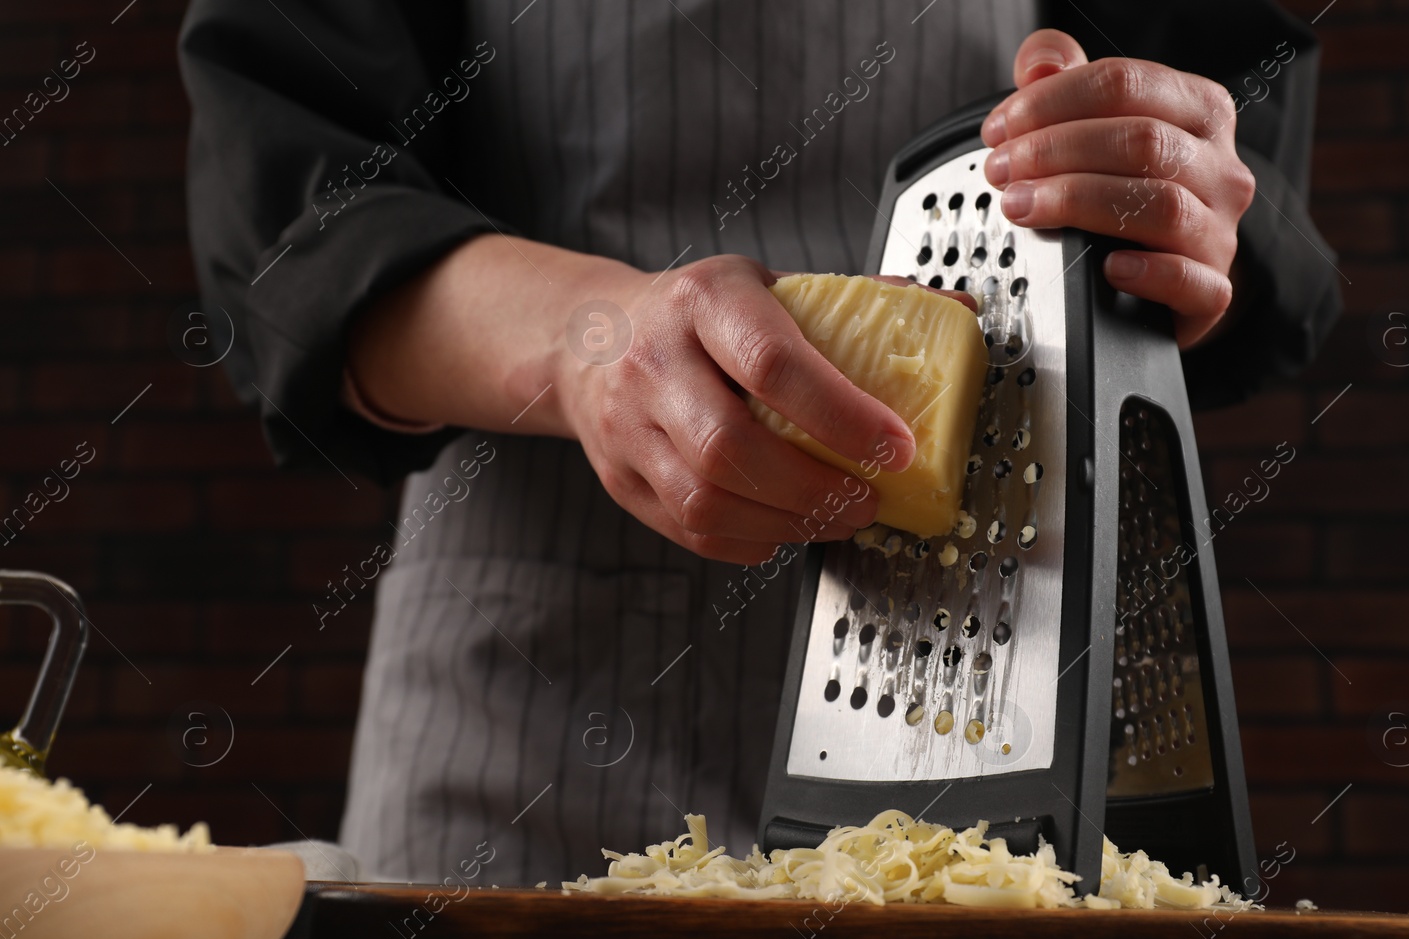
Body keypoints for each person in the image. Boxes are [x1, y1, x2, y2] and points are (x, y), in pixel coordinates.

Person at [179, 0, 1340, 886]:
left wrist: (1183, 193)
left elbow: (1251, 167)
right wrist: (590, 346)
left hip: (1003, 706)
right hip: (526, 723)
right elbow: (291, 216)